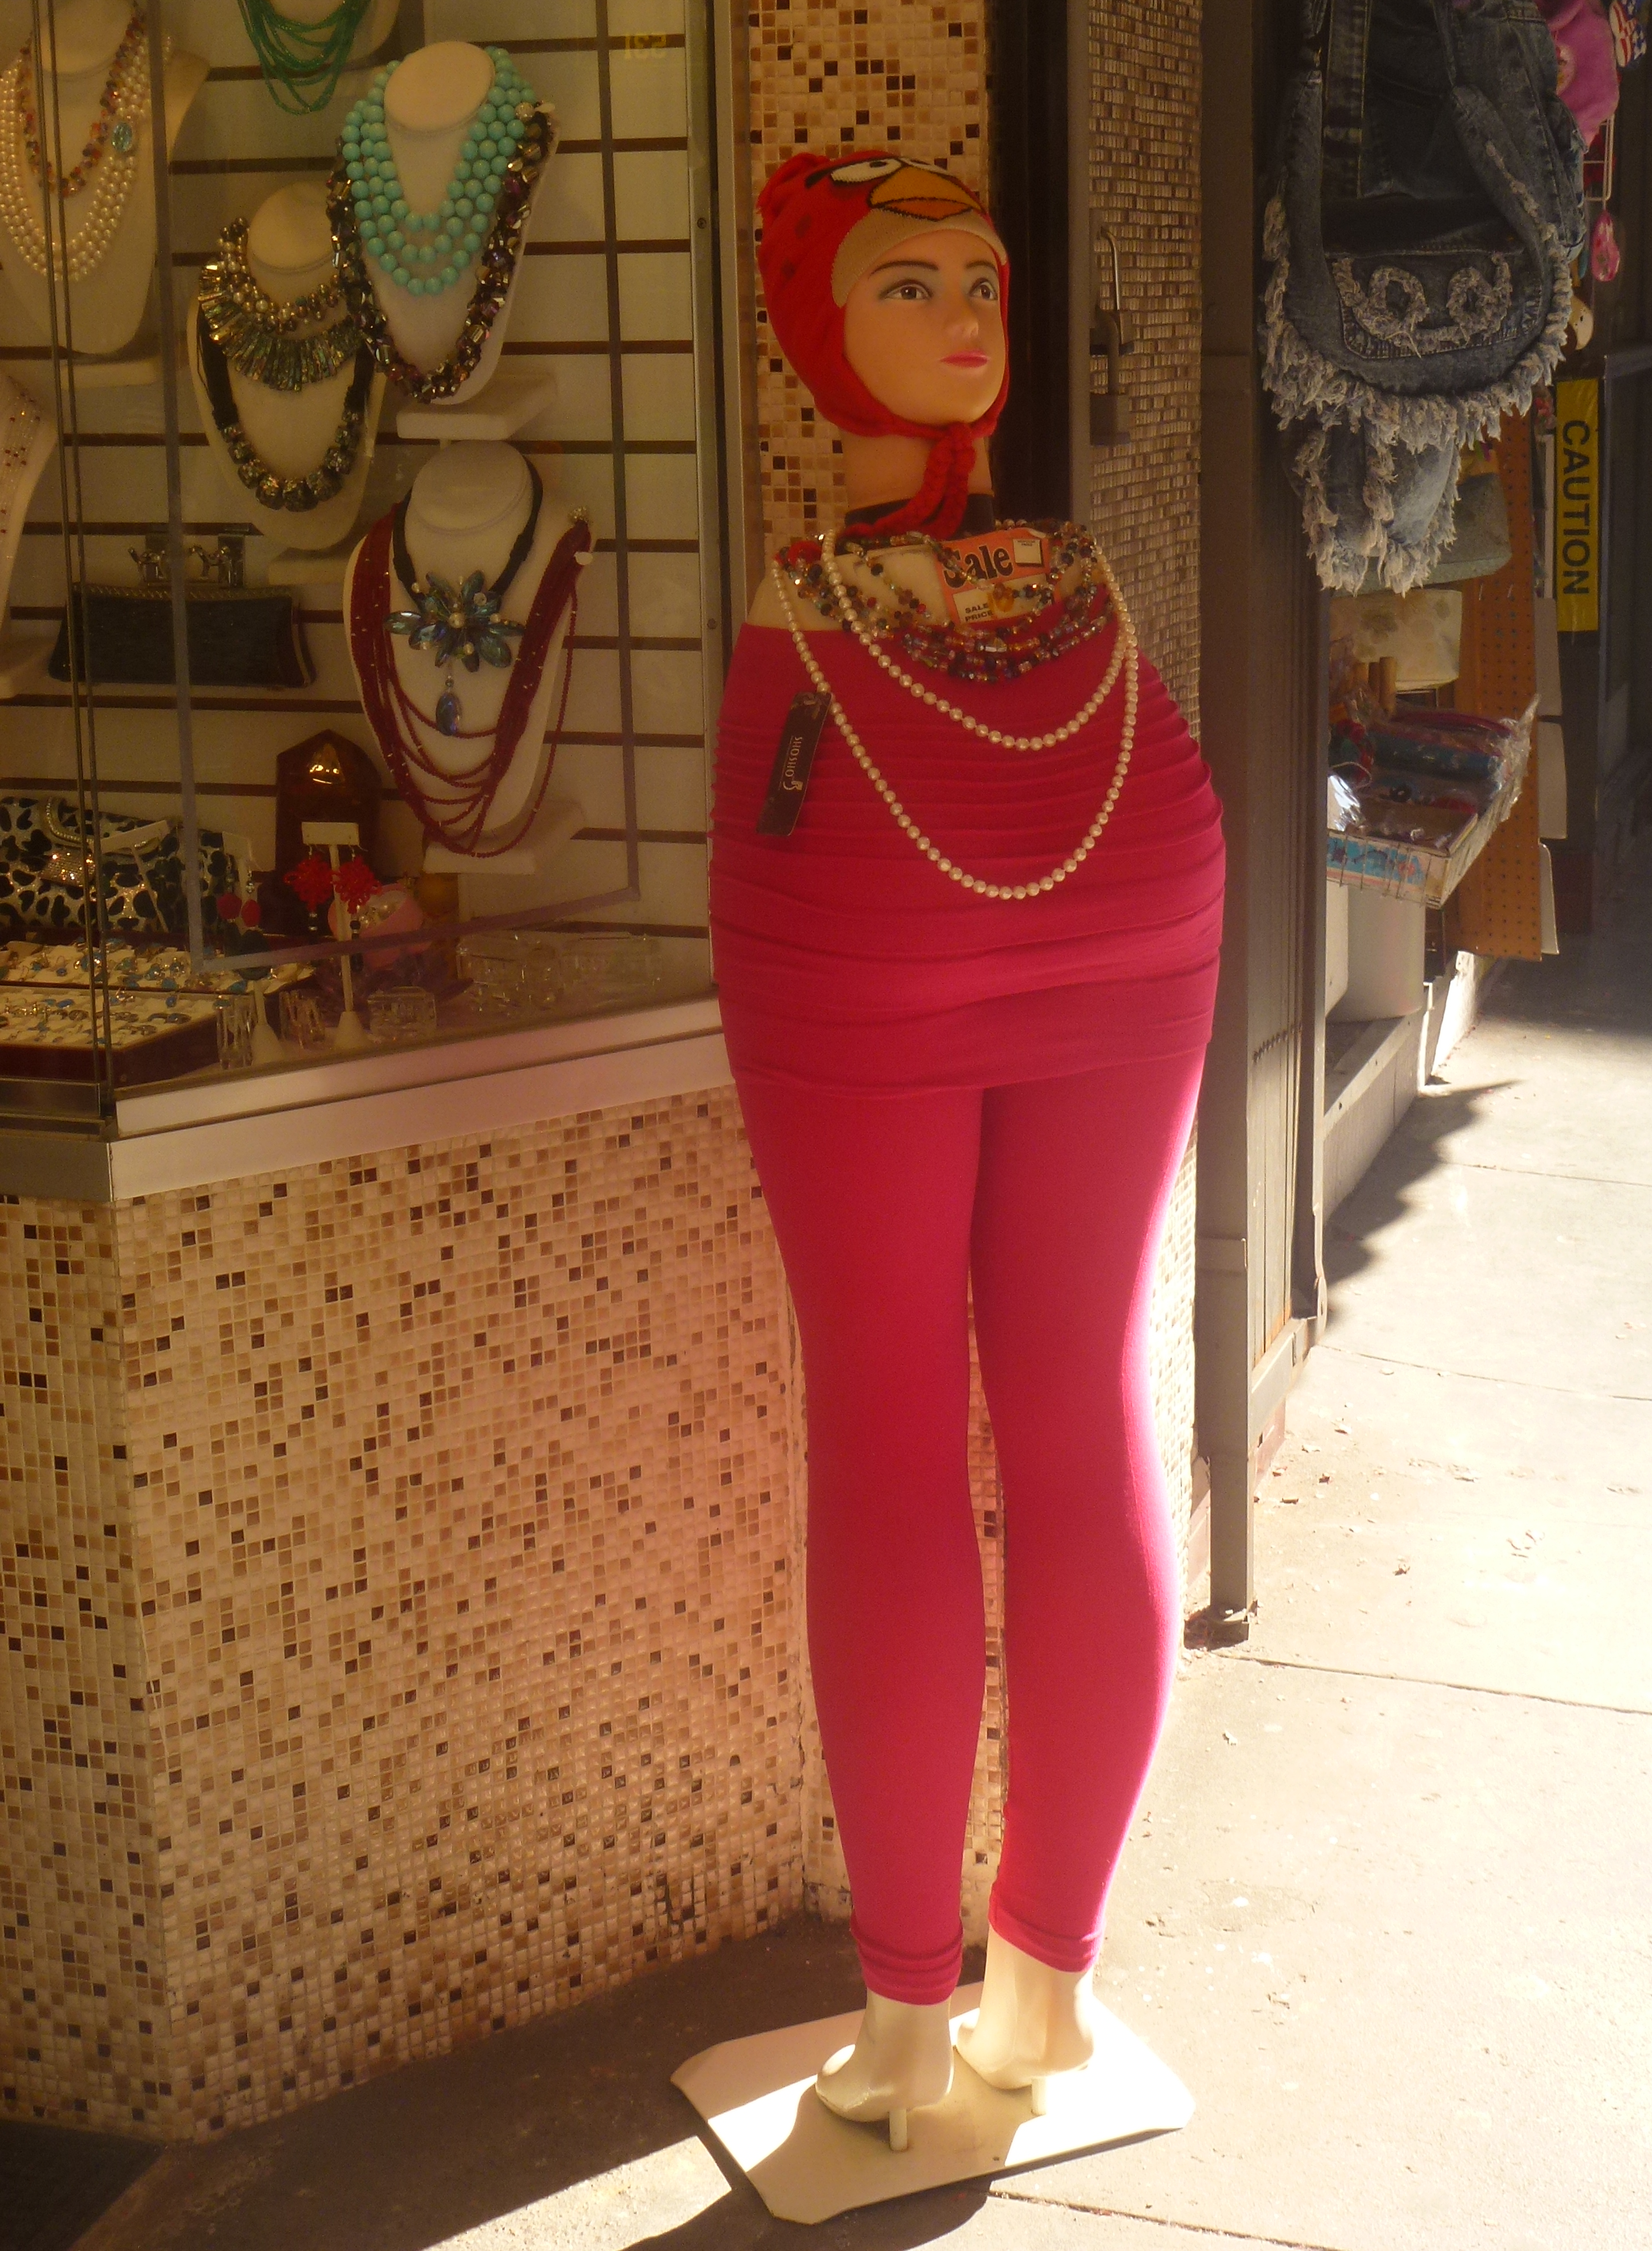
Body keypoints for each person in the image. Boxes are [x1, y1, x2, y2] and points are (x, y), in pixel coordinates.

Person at [708, 151, 1226, 2148]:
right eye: (907, 280)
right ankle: (1039, 1999)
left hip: (885, 917)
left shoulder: (806, 611)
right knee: (1077, 1403)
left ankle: (917, 2021)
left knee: (894, 1427)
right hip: (1134, 889)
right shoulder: (1072, 585)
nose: (960, 315)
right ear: (819, 330)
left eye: (980, 280)